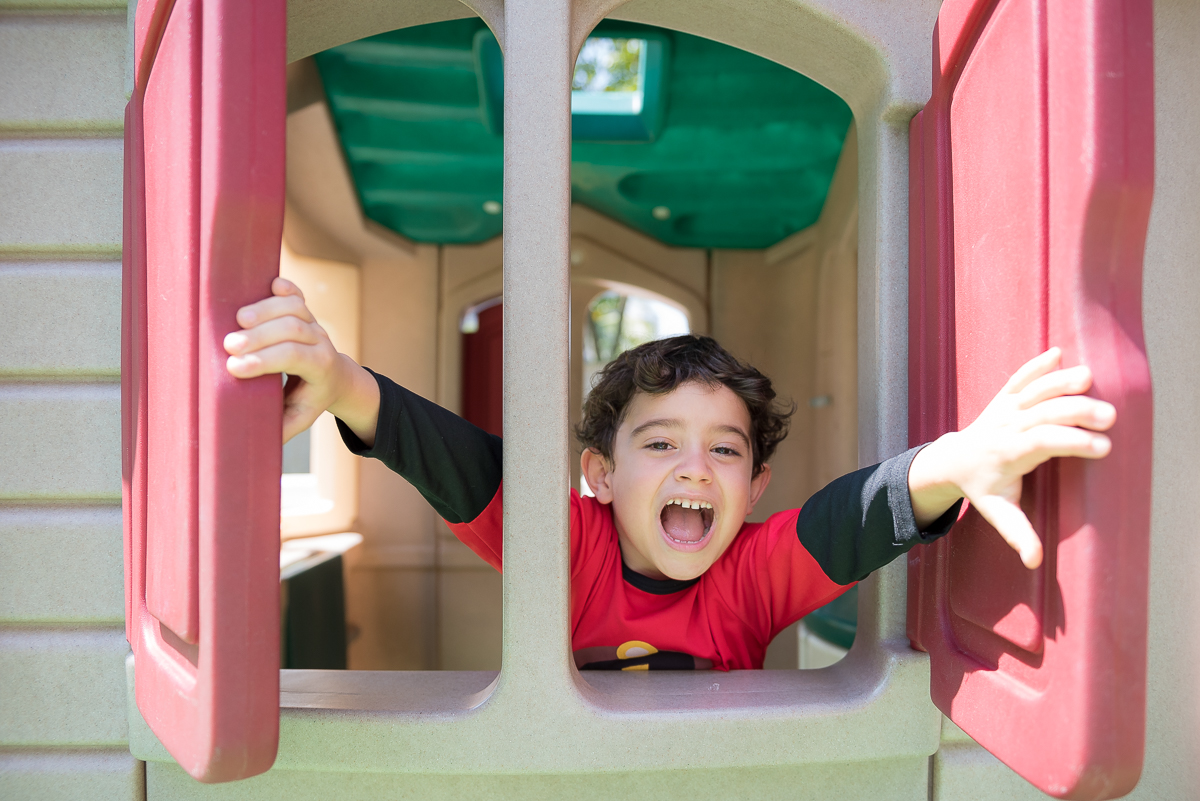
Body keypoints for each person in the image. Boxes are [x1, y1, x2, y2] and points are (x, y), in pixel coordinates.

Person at [225, 277, 1116, 670]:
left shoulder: (752, 576)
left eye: (725, 450)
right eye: (658, 444)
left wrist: (962, 458)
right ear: (599, 476)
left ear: (754, 487)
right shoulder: (566, 547)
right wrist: (340, 381)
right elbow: (458, 464)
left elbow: (853, 517)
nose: (695, 466)